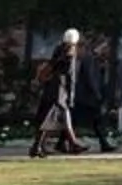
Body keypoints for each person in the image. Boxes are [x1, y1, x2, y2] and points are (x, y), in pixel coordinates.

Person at [29, 28, 84, 157]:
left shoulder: (58, 49)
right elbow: (70, 75)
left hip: (52, 87)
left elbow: (52, 65)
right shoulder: (70, 53)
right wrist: (71, 95)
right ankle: (73, 143)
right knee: (62, 114)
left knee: (47, 118)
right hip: (60, 89)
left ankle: (37, 146)